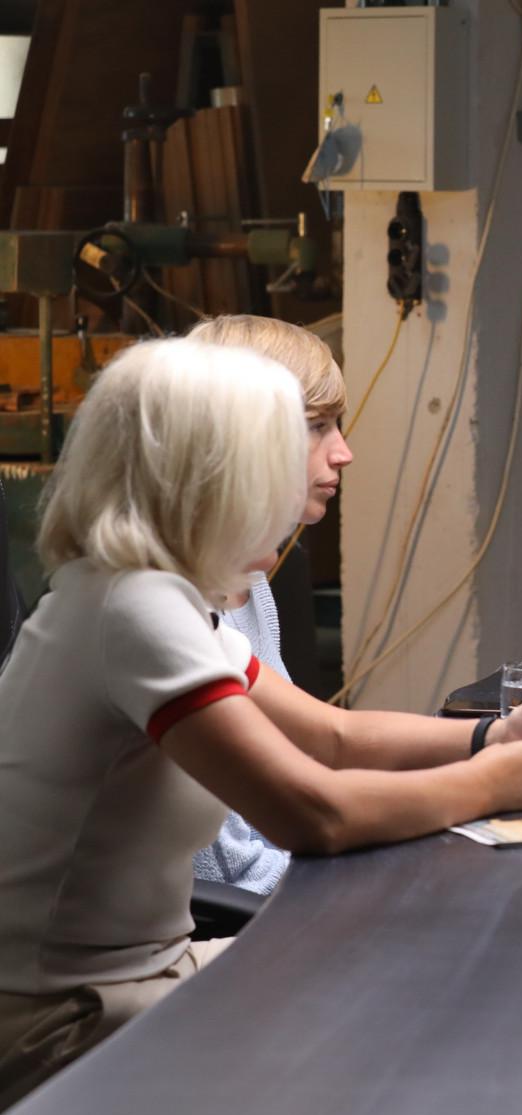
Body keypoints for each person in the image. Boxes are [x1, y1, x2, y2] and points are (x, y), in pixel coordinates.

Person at [0, 340, 522, 1112]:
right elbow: (312, 813)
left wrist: (493, 738)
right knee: (425, 1018)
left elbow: (329, 736)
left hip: (143, 981)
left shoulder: (148, 594)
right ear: (214, 476)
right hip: (66, 1022)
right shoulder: (135, 610)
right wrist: (492, 784)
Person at [185, 315, 355, 894]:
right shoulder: (173, 607)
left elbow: (324, 740)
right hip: (223, 927)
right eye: (317, 426)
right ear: (245, 437)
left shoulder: (249, 581)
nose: (344, 453)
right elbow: (230, 875)